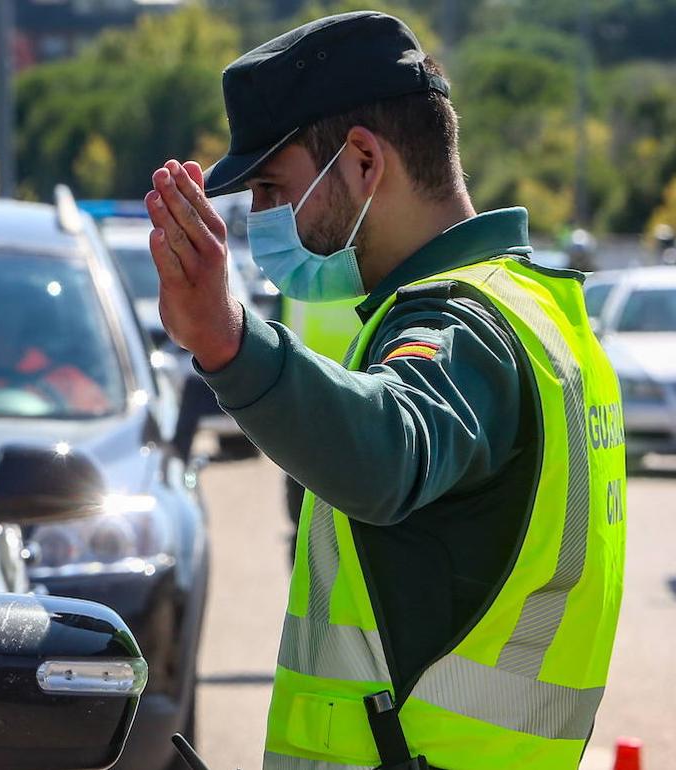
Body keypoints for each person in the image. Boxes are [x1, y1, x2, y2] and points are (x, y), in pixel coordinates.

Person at [144, 12, 625, 770]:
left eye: (273, 187)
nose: (262, 219)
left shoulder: (464, 326)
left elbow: (390, 451)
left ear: (364, 161)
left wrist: (225, 339)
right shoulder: (535, 309)